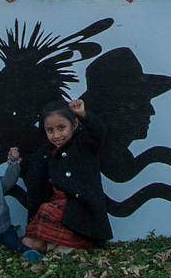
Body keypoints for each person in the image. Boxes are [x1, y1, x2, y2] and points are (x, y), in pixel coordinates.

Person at [18, 100, 111, 252]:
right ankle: (53, 246)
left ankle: (70, 246)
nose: (56, 135)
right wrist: (18, 165)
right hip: (55, 207)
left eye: (61, 128)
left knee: (49, 210)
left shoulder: (84, 143)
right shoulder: (46, 153)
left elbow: (98, 131)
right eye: (50, 130)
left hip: (79, 209)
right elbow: (34, 175)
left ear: (74, 125)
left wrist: (83, 114)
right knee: (29, 240)